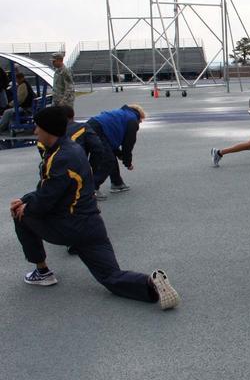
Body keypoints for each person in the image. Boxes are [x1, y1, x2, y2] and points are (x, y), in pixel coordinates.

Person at [10, 106, 179, 309]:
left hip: (70, 226)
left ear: (48, 129)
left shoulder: (59, 158)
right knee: (111, 276)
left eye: (38, 127)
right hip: (92, 225)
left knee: (19, 214)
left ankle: (42, 272)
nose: (35, 131)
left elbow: (46, 199)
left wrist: (25, 207)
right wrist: (26, 200)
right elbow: (50, 189)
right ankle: (151, 283)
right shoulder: (72, 149)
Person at [86, 104, 146, 197]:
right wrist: (127, 162)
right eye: (141, 120)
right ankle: (91, 189)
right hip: (98, 130)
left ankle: (117, 183)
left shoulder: (122, 114)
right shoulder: (132, 120)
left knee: (107, 156)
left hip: (90, 126)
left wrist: (120, 154)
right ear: (140, 116)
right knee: (108, 160)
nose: (140, 122)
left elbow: (111, 143)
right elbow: (128, 145)